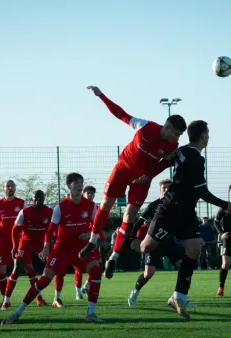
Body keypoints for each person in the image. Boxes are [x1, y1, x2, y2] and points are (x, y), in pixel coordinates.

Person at [79, 85, 187, 280]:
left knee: (129, 216)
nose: (177, 138)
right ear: (168, 128)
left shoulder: (172, 145)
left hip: (141, 180)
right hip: (122, 170)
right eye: (177, 134)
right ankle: (93, 241)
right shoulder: (144, 126)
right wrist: (101, 95)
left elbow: (167, 162)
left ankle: (114, 257)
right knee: (105, 205)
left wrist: (149, 176)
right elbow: (121, 114)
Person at [139, 120, 231, 319]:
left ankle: (178, 297)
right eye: (207, 134)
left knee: (194, 249)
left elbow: (166, 161)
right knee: (145, 247)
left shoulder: (183, 150)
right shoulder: (197, 159)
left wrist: (149, 173)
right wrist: (224, 204)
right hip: (170, 209)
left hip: (187, 212)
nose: (208, 137)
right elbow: (202, 191)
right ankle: (124, 242)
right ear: (203, 136)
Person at [2, 173, 104, 325]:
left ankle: (91, 313)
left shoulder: (90, 206)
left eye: (81, 184)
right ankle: (17, 312)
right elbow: (50, 232)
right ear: (69, 186)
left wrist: (90, 234)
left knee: (96, 270)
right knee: (45, 279)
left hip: (81, 248)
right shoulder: (60, 207)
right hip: (62, 248)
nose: (79, 187)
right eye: (76, 184)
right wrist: (46, 247)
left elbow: (97, 227)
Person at [1, 190, 52, 310]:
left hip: (42, 242)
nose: (38, 200)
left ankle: (49, 298)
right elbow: (15, 230)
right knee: (17, 267)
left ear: (44, 199)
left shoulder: (50, 211)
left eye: (41, 198)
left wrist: (48, 246)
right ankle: (6, 301)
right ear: (32, 199)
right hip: (26, 241)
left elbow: (54, 229)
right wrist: (15, 245)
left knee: (53, 268)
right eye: (36, 198)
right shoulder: (25, 212)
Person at [126, 179, 173, 306]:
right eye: (164, 188)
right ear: (160, 190)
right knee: (149, 273)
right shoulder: (153, 205)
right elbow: (140, 221)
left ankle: (181, 296)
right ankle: (135, 292)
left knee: (184, 265)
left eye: (169, 187)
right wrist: (132, 235)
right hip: (154, 243)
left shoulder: (177, 205)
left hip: (170, 242)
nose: (166, 190)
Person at [0, 180, 27, 306]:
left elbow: (28, 219)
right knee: (0, 271)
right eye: (8, 186)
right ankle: (5, 298)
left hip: (19, 242)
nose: (10, 188)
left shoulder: (22, 203)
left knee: (28, 268)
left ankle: (39, 298)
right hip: (4, 242)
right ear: (3, 188)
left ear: (15, 188)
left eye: (12, 186)